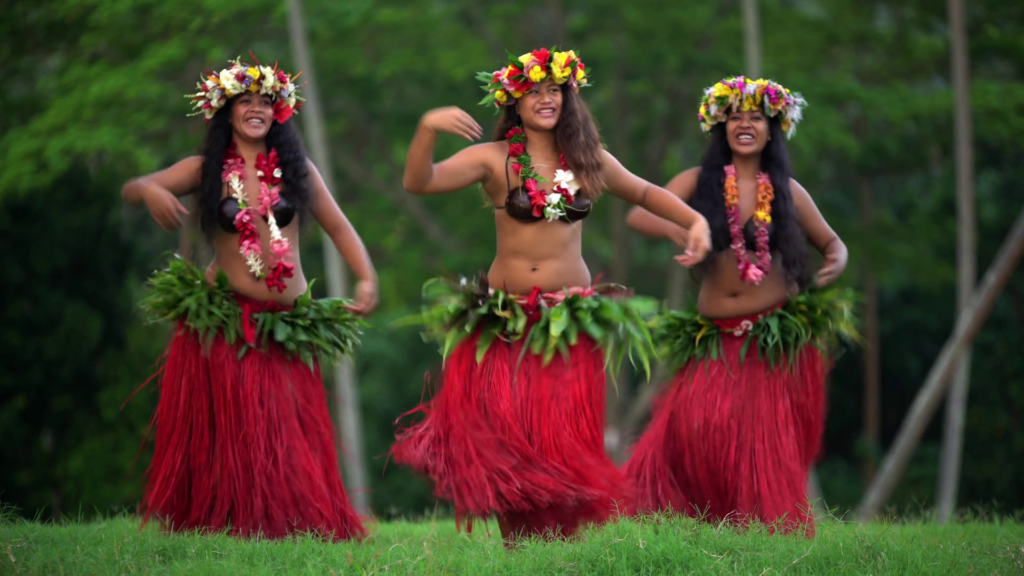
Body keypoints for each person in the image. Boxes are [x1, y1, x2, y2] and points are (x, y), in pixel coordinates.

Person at [389, 48, 712, 544]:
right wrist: (427, 129)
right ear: (513, 104)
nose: (545, 98)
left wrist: (693, 221)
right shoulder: (493, 160)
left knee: (558, 440)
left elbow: (645, 192)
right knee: (511, 440)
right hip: (505, 321)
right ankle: (519, 544)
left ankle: (563, 546)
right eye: (532, 91)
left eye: (554, 89)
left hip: (567, 321)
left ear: (569, 96)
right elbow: (420, 182)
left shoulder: (586, 160)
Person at [121, 56, 377, 541]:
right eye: (246, 101)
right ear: (226, 112)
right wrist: (150, 191)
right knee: (245, 431)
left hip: (287, 323)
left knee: (286, 427)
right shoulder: (206, 169)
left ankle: (296, 524)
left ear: (278, 113)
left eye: (265, 102)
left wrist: (366, 278)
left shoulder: (298, 170)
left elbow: (339, 226)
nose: (257, 108)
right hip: (229, 321)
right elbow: (134, 187)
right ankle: (244, 525)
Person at [623, 76, 856, 537]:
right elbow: (638, 214)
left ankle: (767, 530)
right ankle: (699, 518)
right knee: (689, 433)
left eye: (756, 118)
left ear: (773, 130)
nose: (744, 125)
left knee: (760, 446)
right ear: (720, 127)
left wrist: (835, 262)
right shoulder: (696, 183)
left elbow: (833, 243)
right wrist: (680, 228)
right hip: (713, 339)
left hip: (769, 340)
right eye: (735, 117)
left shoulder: (788, 190)